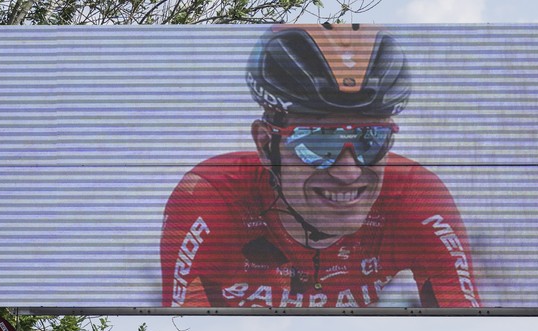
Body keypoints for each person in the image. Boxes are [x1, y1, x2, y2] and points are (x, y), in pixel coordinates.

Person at [159, 23, 481, 310]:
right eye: (317, 141)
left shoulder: (417, 198)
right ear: (264, 144)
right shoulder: (209, 199)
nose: (348, 172)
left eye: (371, 139)